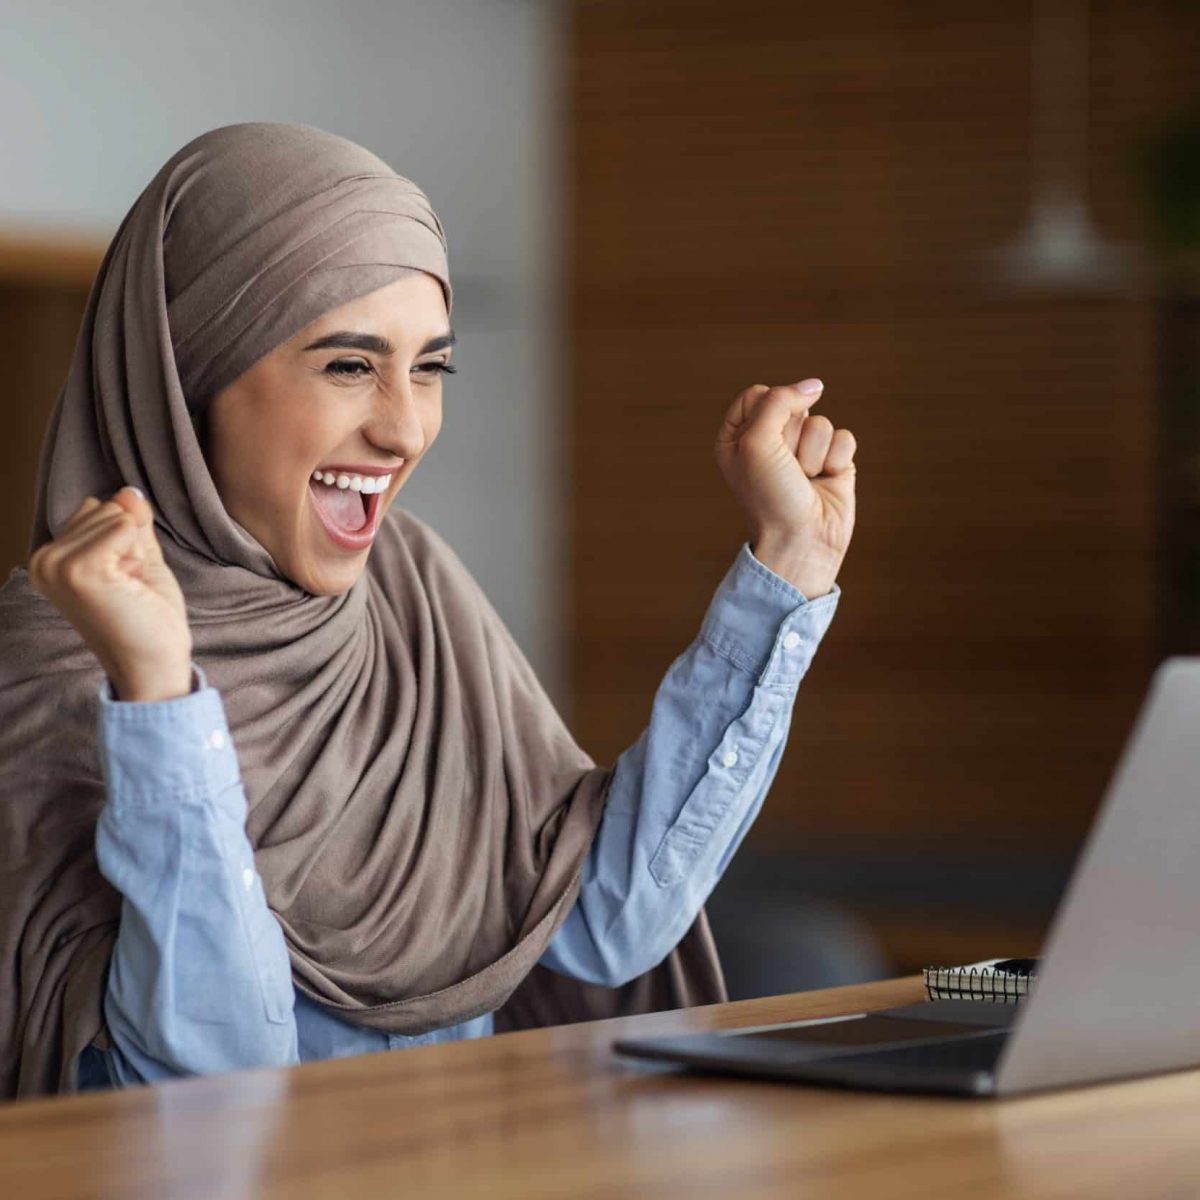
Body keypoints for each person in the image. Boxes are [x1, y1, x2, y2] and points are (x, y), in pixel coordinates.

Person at [0, 122, 856, 1098]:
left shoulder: (409, 589)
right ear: (187, 374)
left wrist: (790, 563)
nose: (405, 427)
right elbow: (218, 1083)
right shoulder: (53, 663)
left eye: (431, 367)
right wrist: (158, 700)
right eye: (349, 365)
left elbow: (604, 923)